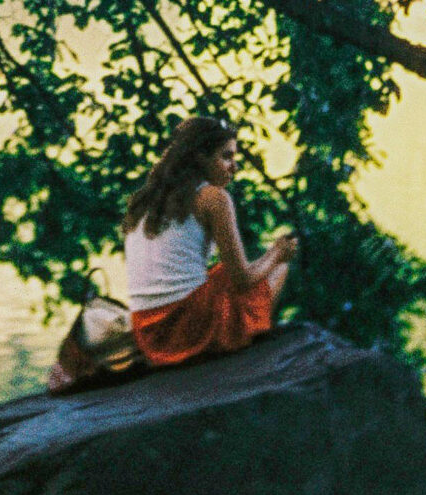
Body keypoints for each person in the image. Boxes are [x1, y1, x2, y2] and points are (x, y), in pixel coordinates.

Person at [122, 113, 296, 369]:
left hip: (147, 333)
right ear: (200, 157)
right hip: (188, 327)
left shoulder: (144, 201)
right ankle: (247, 339)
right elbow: (242, 279)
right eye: (226, 157)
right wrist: (276, 253)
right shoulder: (214, 198)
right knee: (277, 268)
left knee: (220, 274)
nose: (234, 167)